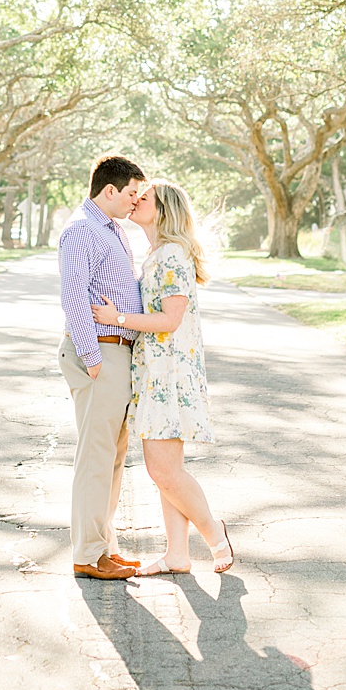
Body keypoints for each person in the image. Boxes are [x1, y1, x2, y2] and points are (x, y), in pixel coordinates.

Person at [93, 178, 234, 575]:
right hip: (154, 372)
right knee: (166, 472)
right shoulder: (158, 254)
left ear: (165, 209)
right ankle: (177, 554)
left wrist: (116, 318)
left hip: (170, 375)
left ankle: (214, 535)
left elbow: (170, 320)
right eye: (135, 195)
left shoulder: (172, 255)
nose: (135, 200)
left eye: (145, 197)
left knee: (163, 470)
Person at [57, 153, 149, 580]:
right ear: (109, 190)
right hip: (99, 353)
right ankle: (87, 555)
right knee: (95, 458)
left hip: (118, 353)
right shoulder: (81, 230)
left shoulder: (111, 230)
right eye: (131, 193)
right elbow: (73, 297)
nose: (135, 201)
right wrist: (93, 359)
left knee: (112, 457)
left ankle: (104, 547)